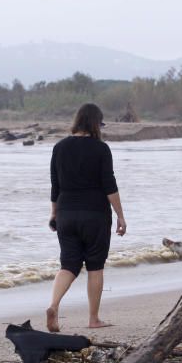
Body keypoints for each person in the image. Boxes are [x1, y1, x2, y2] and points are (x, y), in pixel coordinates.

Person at [46, 103, 126, 332]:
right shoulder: (101, 149)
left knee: (68, 264)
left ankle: (53, 305)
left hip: (66, 214)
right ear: (95, 124)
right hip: (95, 215)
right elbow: (109, 185)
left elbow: (55, 185)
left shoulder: (59, 148)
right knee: (95, 266)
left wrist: (54, 214)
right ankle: (93, 319)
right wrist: (120, 216)